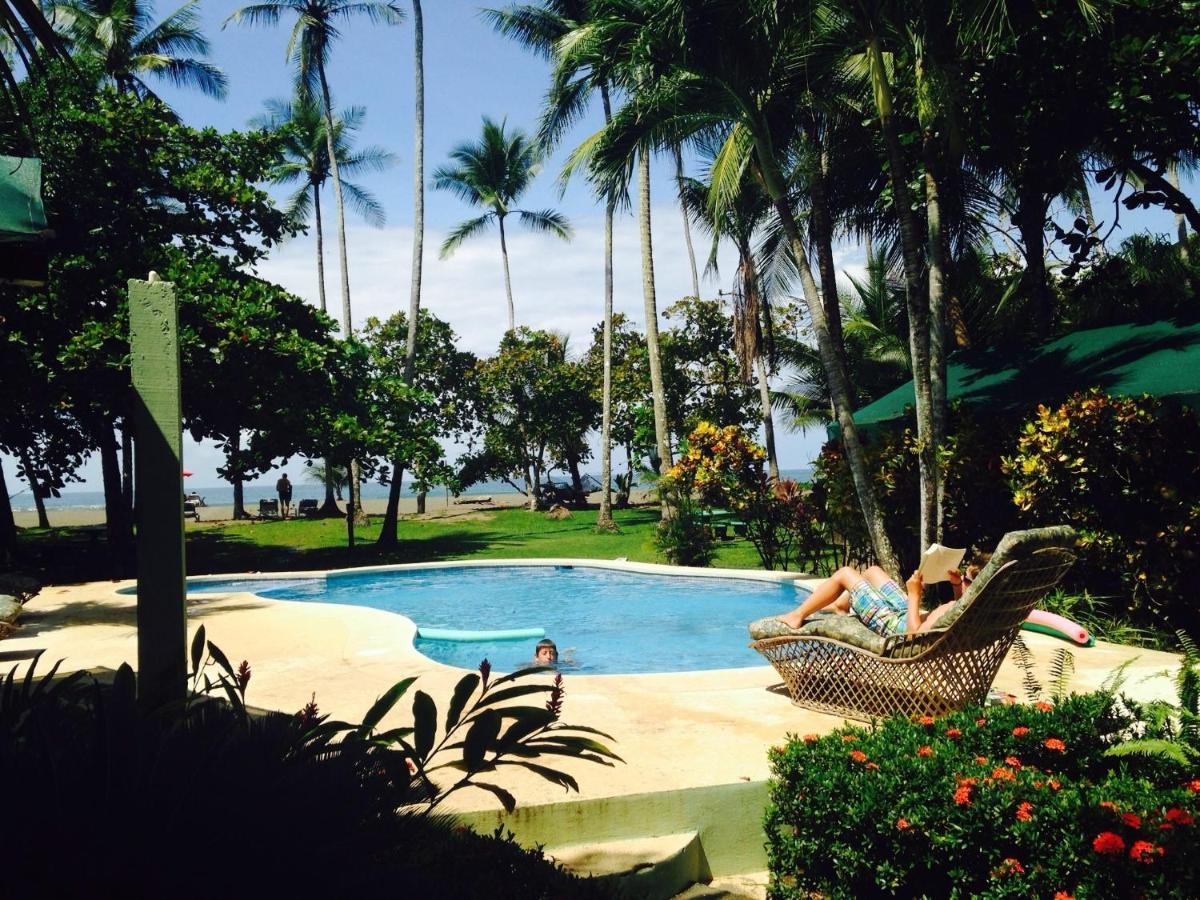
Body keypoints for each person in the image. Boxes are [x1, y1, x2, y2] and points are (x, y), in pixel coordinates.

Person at [754, 563, 967, 639]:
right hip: (908, 614)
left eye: (967, 579)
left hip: (899, 627)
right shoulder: (976, 604)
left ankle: (796, 615)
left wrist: (914, 594)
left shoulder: (975, 604)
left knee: (845, 573)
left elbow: (912, 637)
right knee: (872, 571)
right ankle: (839, 605)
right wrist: (957, 587)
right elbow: (957, 612)